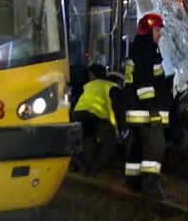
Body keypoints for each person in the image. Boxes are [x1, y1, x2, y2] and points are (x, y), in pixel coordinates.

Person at [123, 13, 172, 198]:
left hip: (135, 111)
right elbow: (145, 85)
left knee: (135, 146)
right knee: (155, 146)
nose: (159, 34)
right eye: (157, 30)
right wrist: (153, 109)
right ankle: (151, 184)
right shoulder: (147, 51)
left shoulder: (137, 49)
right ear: (148, 30)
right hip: (146, 112)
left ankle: (133, 182)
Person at [72, 64, 126, 176]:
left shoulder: (89, 85)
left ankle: (86, 169)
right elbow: (117, 108)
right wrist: (121, 127)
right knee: (110, 142)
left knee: (89, 140)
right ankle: (98, 169)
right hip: (96, 115)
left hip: (78, 114)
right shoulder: (111, 86)